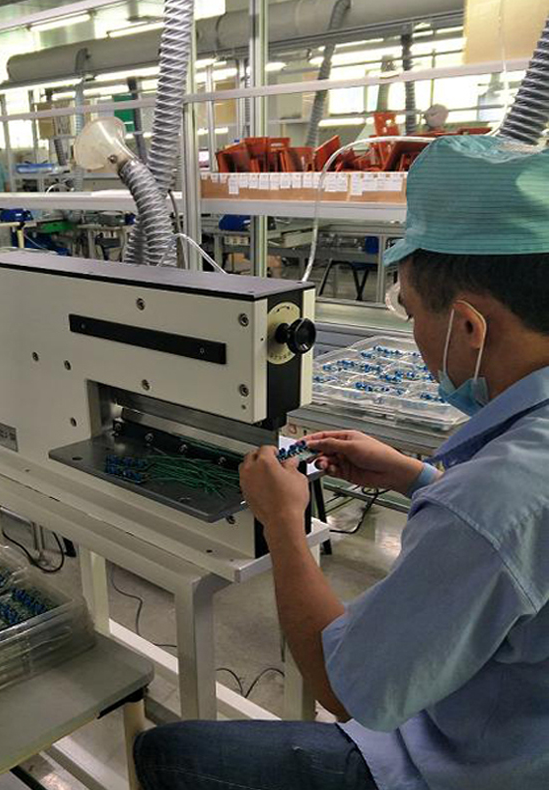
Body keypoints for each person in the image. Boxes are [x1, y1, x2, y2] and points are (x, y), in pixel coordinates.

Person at [134, 135, 549, 790]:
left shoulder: (491, 501)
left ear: (470, 326)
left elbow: (345, 687)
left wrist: (283, 524)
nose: (413, 333)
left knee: (168, 752)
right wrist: (417, 477)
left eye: (410, 311)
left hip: (468, 768)